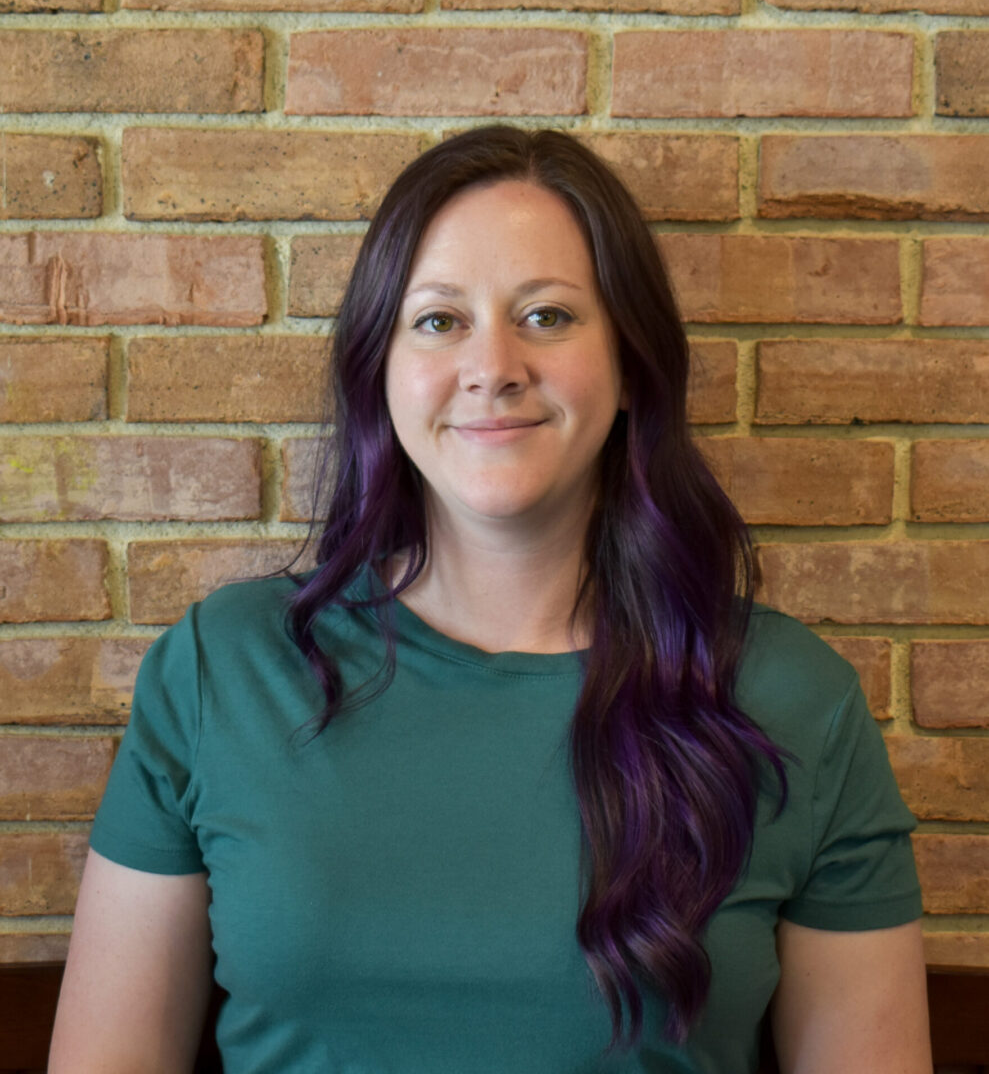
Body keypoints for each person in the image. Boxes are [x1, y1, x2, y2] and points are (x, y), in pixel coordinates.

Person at [49, 126, 932, 1073]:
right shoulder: (221, 668)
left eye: (547, 316)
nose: (494, 365)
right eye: (438, 321)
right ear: (378, 371)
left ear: (631, 363)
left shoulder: (794, 700)